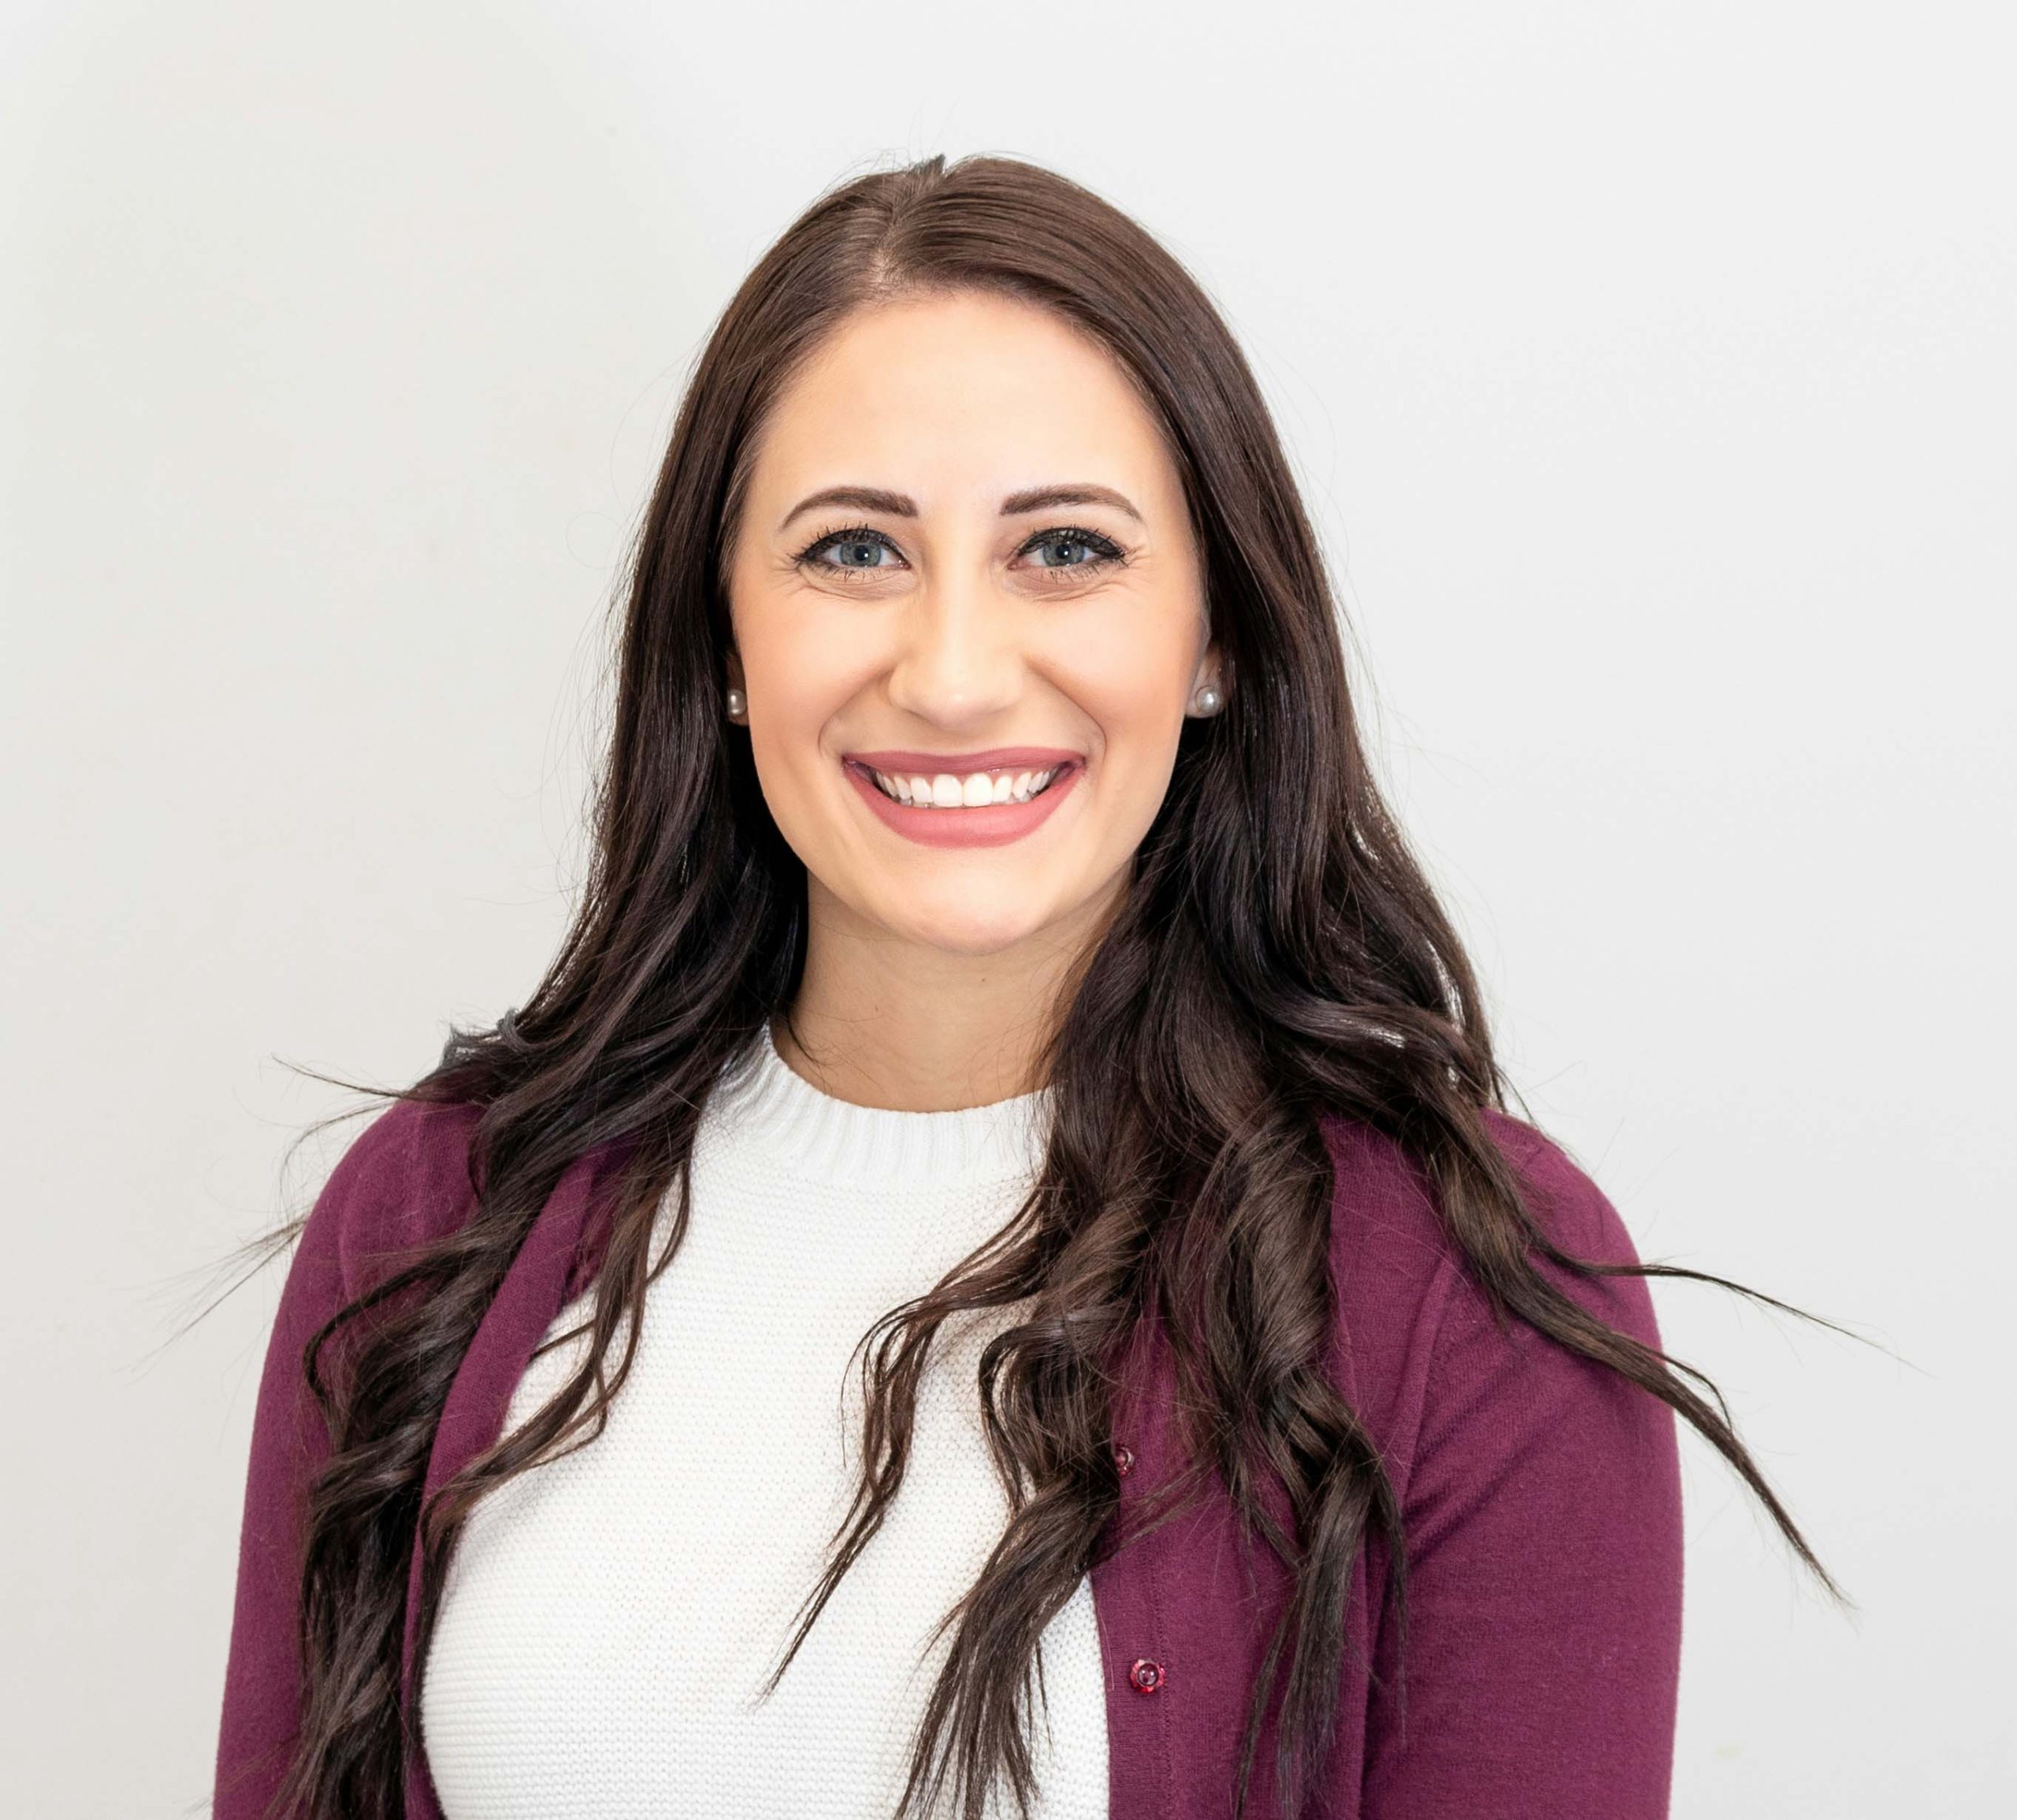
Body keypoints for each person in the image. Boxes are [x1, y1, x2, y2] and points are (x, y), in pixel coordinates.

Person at [211, 154, 1835, 1820]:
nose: (954, 673)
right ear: (722, 642)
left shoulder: (1465, 1291)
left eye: (1064, 548)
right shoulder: (433, 1215)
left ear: (1215, 635)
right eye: (854, 550)